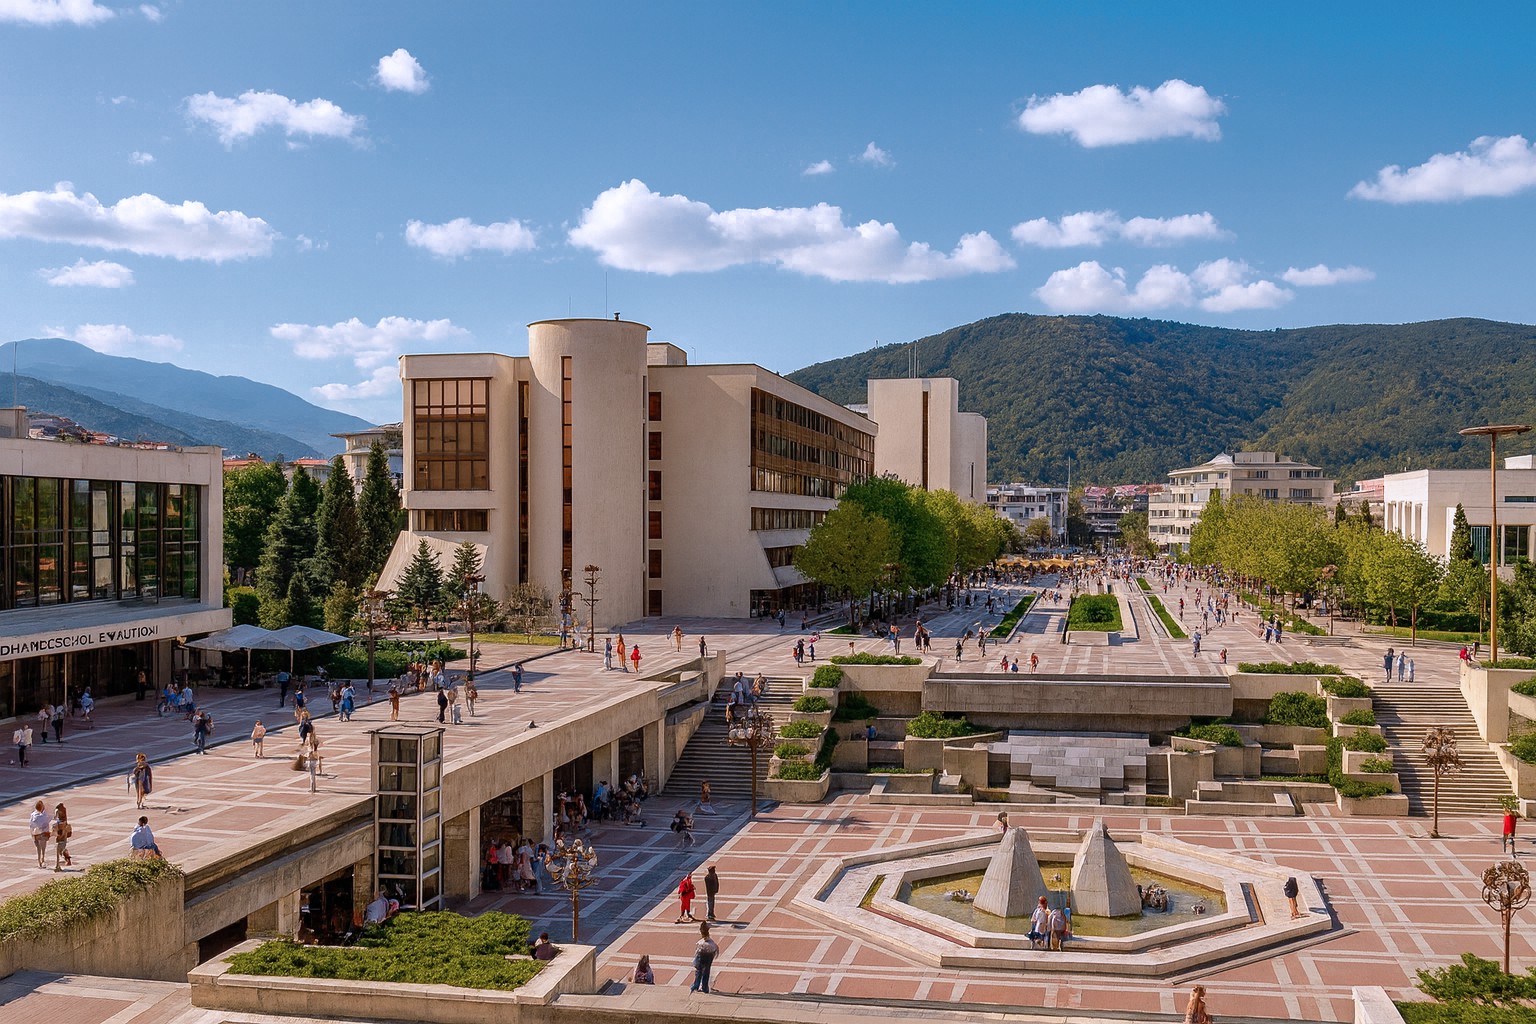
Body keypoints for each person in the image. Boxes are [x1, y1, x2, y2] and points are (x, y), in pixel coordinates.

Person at [690, 922, 719, 993]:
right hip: (708, 957)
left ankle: (695, 986)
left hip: (701, 956)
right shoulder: (712, 944)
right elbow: (716, 951)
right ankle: (704, 988)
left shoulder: (701, 943)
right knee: (706, 972)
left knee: (699, 971)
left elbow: (697, 952)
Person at [28, 800, 51, 868]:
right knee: (43, 848)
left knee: (38, 848)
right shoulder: (44, 815)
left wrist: (32, 833)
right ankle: (43, 859)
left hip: (35, 833)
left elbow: (31, 825)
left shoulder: (33, 815)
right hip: (42, 833)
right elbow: (46, 824)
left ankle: (39, 861)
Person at [51, 803, 72, 870]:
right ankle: (65, 860)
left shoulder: (61, 823)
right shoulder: (63, 821)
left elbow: (56, 817)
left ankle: (61, 863)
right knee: (61, 850)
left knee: (59, 851)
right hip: (62, 837)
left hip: (61, 837)